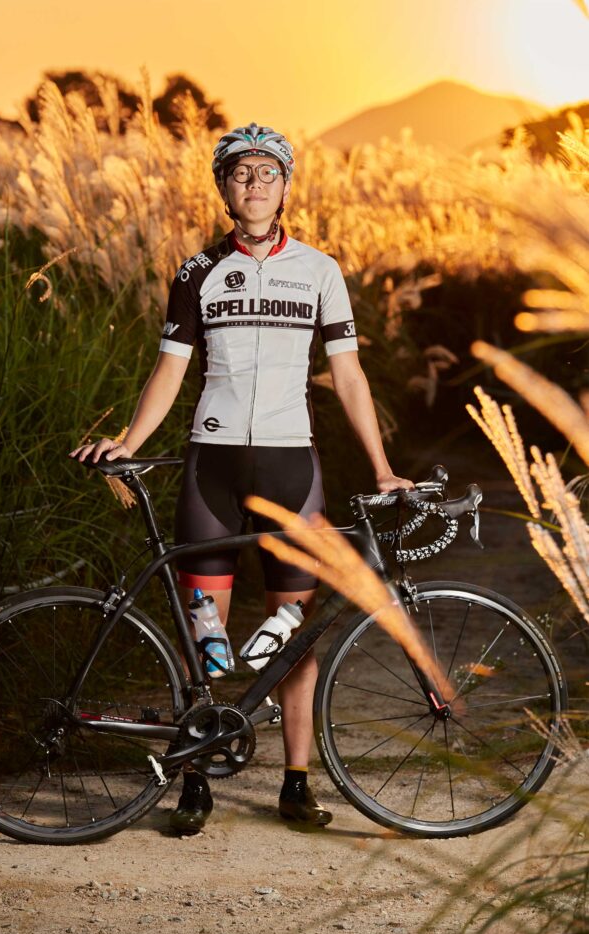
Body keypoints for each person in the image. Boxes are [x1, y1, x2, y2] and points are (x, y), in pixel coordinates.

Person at [70, 123, 413, 834]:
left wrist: (381, 468)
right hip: (211, 466)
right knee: (206, 630)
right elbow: (169, 370)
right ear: (222, 186)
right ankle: (194, 776)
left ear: (286, 185)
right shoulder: (195, 272)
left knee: (294, 632)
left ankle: (295, 780)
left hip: (291, 465)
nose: (252, 185)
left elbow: (347, 374)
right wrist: (129, 440)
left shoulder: (319, 270)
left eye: (266, 173)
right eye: (238, 173)